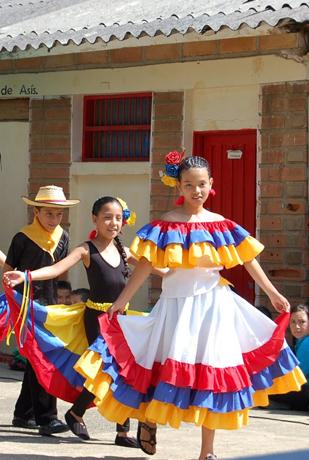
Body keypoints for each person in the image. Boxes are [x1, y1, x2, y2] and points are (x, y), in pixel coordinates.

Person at [57, 154, 304, 460]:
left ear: (210, 184)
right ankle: (148, 419)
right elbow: (145, 265)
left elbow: (248, 259)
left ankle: (207, 452)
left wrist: (272, 292)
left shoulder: (221, 225)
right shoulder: (166, 224)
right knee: (160, 367)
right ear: (180, 186)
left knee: (211, 376)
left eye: (202, 184)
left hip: (214, 306)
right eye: (189, 185)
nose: (196, 190)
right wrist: (120, 302)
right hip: (175, 306)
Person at [3, 196, 155, 447]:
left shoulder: (125, 252)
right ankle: (77, 412)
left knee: (125, 372)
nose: (113, 222)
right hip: (96, 319)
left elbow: (155, 267)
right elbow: (56, 269)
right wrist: (25, 276)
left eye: (118, 218)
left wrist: (190, 268)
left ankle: (121, 431)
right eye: (107, 217)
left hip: (122, 319)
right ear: (95, 219)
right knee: (107, 369)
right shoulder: (86, 250)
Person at [2, 185, 79, 435]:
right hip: (25, 306)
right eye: (48, 213)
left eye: (58, 214)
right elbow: (8, 271)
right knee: (43, 360)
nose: (54, 219)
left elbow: (58, 271)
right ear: (36, 211)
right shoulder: (22, 238)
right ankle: (47, 418)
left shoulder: (63, 238)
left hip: (50, 306)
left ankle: (23, 414)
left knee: (38, 360)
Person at [269, 304, 309, 411]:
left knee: (267, 390)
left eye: (302, 322)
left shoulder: (306, 343)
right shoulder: (301, 342)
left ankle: (288, 406)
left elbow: (300, 376)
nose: (297, 326)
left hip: (306, 391)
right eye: (293, 322)